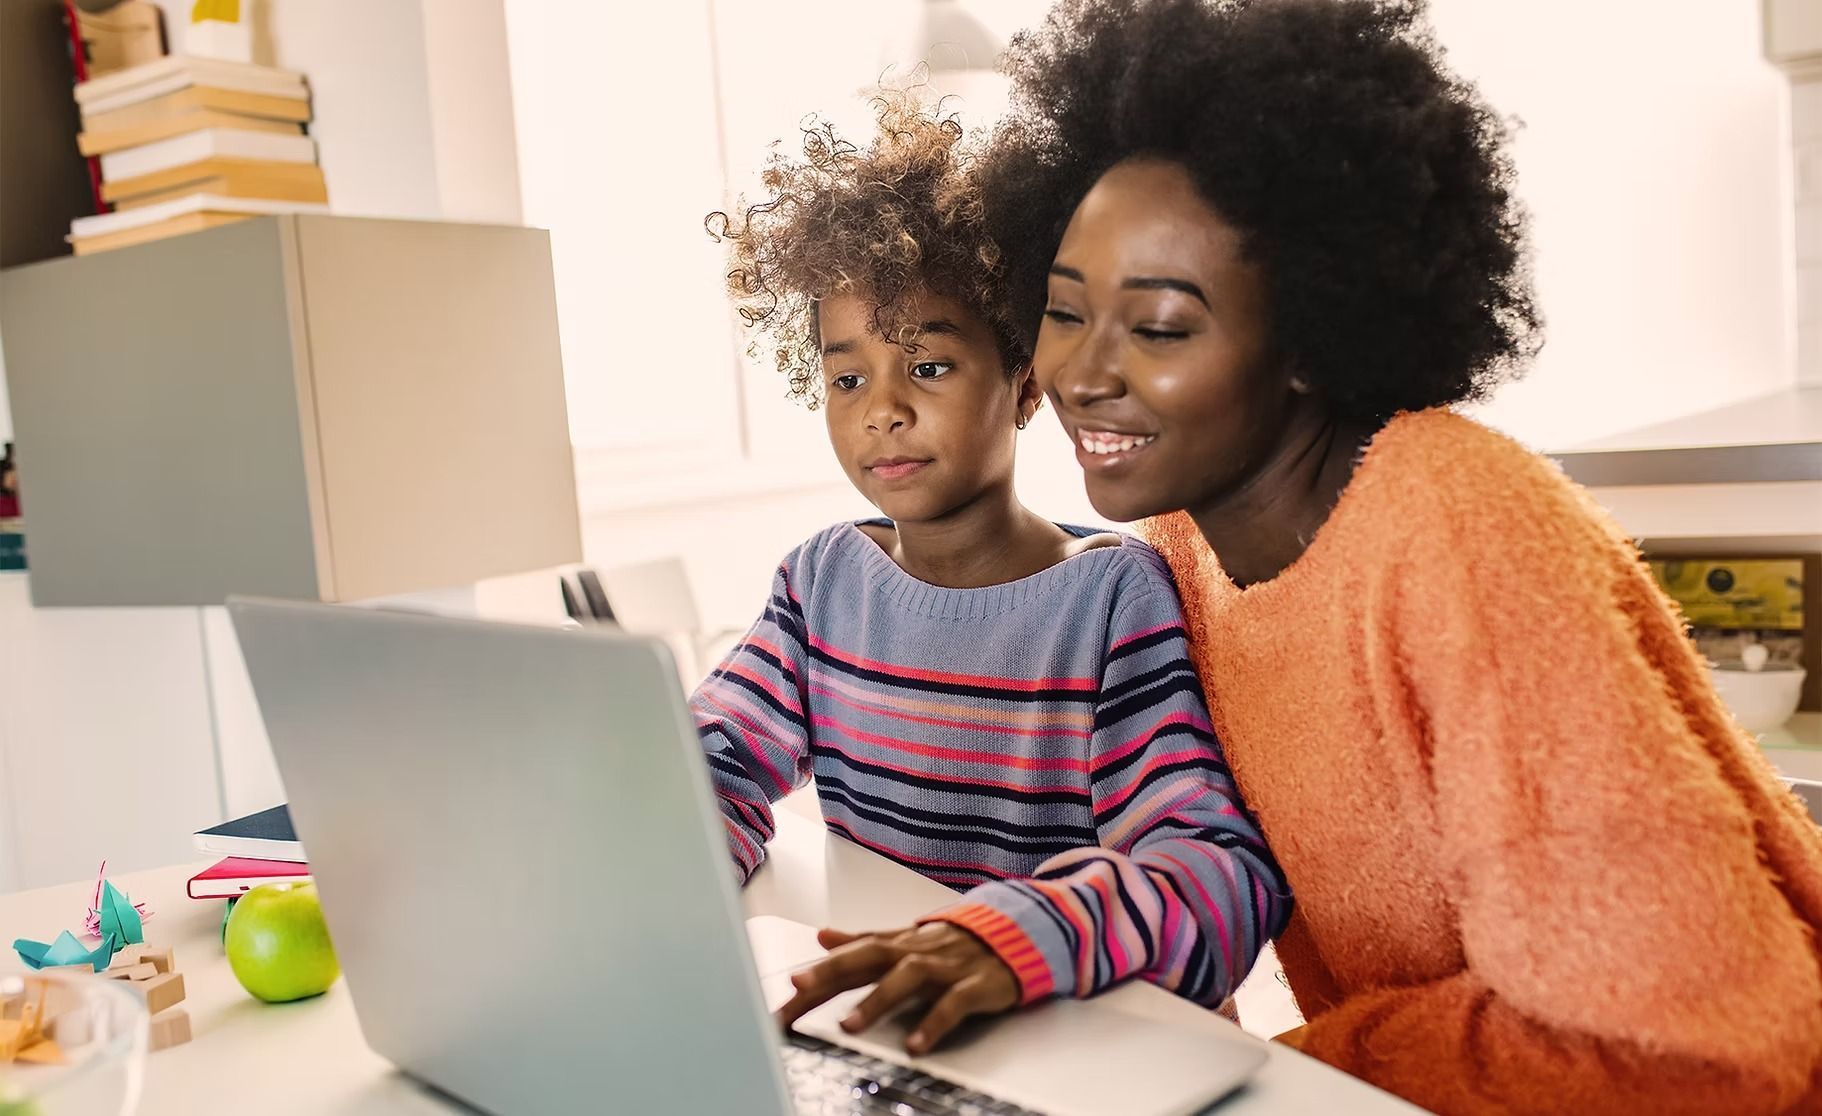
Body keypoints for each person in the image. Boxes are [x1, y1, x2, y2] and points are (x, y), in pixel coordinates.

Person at [973, 1, 1822, 1113]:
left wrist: (1291, 1070)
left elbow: (1686, 1051)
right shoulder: (1183, 544)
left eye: (1162, 327)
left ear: (1308, 337)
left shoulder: (1459, 525)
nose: (1084, 376)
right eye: (1063, 312)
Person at [696, 95, 1288, 1053]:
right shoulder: (821, 584)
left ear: (1023, 383)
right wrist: (679, 866)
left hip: (1081, 1041)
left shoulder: (1110, 598)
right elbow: (709, 758)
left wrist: (1014, 936)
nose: (882, 409)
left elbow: (1218, 877)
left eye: (927, 366)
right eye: (847, 378)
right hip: (902, 1033)